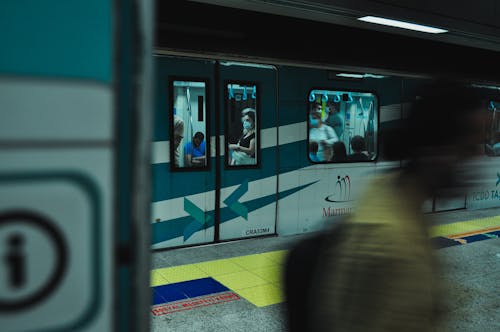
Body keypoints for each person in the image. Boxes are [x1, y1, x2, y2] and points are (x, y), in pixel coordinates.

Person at [285, 79, 484, 332]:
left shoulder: (388, 194)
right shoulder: (393, 246)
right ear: (436, 149)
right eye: (469, 146)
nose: (478, 157)